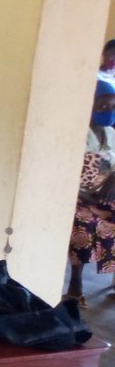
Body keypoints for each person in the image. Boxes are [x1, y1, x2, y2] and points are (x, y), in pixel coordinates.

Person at [67, 78, 115, 304]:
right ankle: (76, 283)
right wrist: (91, 199)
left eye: (113, 106)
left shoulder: (111, 133)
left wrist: (111, 183)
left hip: (103, 193)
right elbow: (65, 176)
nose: (108, 111)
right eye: (102, 105)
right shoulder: (74, 133)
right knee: (85, 224)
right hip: (75, 195)